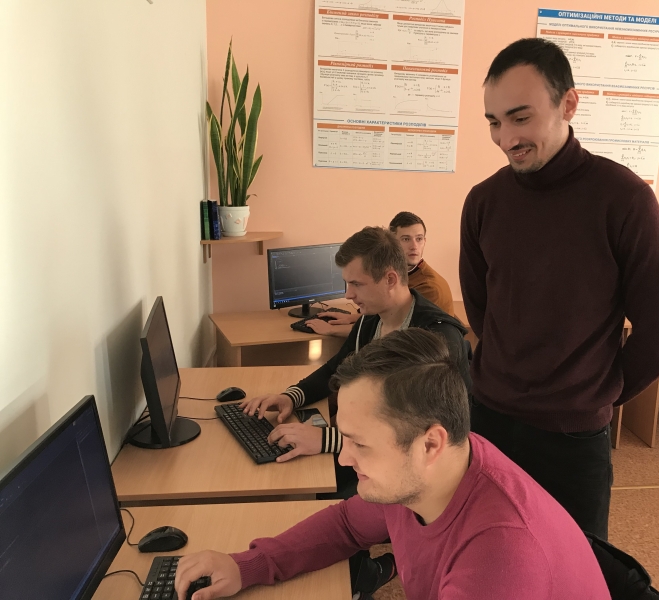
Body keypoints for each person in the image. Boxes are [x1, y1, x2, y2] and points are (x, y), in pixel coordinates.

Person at [174, 329, 612, 600]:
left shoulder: (501, 561)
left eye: (360, 444)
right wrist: (247, 565)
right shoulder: (435, 468)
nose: (343, 457)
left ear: (430, 443)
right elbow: (347, 524)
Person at [459, 38, 659, 540]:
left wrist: (591, 395)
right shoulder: (483, 202)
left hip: (573, 438)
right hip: (488, 420)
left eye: (520, 118)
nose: (505, 138)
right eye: (494, 122)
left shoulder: (625, 199)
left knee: (576, 566)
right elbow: (481, 311)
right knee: (487, 552)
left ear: (569, 104)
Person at [242, 227, 469, 487]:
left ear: (390, 279)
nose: (348, 295)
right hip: (361, 452)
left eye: (357, 284)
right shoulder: (370, 320)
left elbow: (422, 432)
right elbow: (336, 369)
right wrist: (291, 397)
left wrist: (327, 440)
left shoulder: (438, 337)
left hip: (407, 477)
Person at [307, 212, 455, 337]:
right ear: (392, 243)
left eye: (419, 239)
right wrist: (352, 318)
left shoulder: (430, 287)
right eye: (406, 239)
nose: (414, 246)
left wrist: (332, 330)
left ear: (391, 280)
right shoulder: (404, 275)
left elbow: (400, 332)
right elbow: (388, 316)